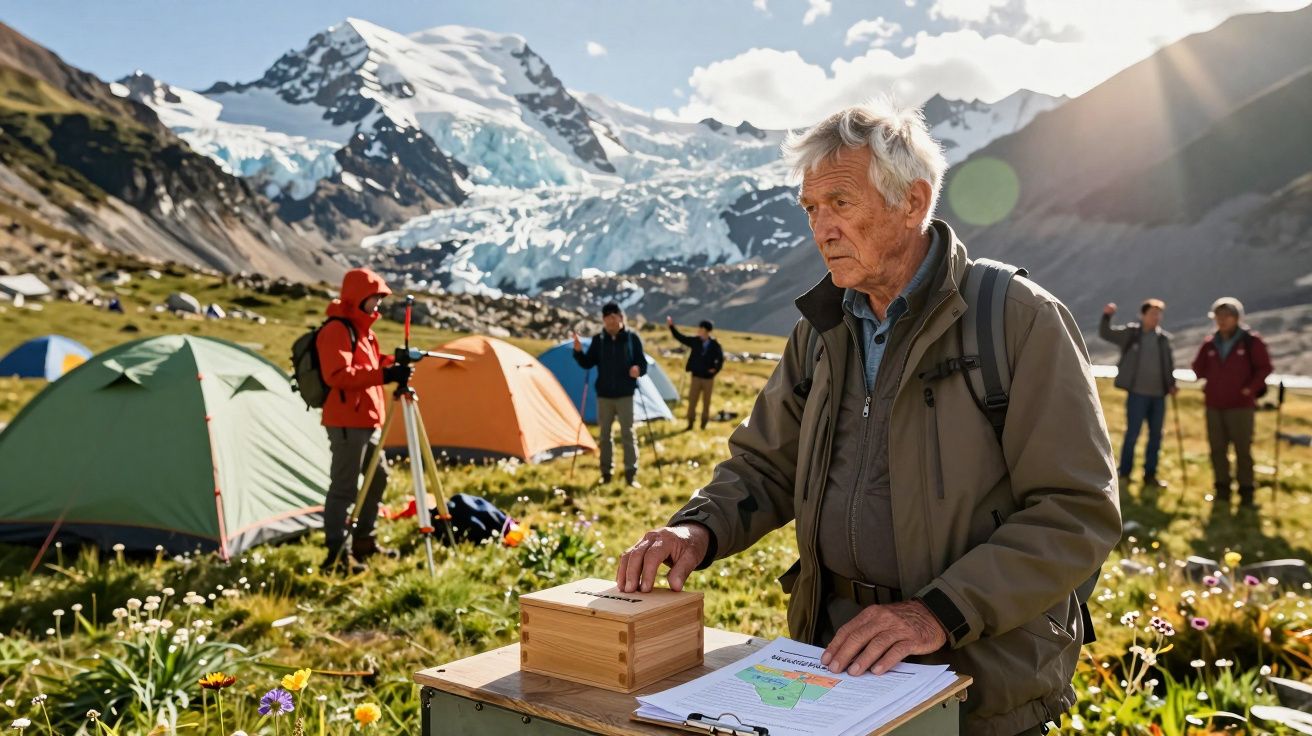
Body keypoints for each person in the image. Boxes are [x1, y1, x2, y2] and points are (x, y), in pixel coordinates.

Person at [615, 99, 1120, 736]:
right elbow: (766, 464)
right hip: (837, 663)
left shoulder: (1017, 320)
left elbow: (1075, 511)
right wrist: (698, 528)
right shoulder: (820, 329)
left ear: (913, 202)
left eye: (841, 203)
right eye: (810, 209)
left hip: (979, 680)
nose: (821, 229)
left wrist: (935, 613)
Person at [316, 268, 410, 572]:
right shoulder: (337, 330)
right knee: (344, 488)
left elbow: (370, 364)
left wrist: (394, 363)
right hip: (346, 421)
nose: (378, 304)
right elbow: (338, 375)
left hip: (367, 420)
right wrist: (385, 375)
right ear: (358, 297)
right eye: (374, 297)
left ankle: (364, 541)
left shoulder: (364, 331)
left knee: (377, 477)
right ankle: (337, 555)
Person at [1191, 297, 1273, 509]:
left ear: (1237, 318)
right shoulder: (1210, 342)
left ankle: (1247, 494)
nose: (1222, 320)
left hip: (1241, 406)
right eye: (1218, 316)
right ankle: (1222, 491)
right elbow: (1198, 369)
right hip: (1214, 404)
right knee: (1217, 449)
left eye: (1227, 316)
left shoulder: (1251, 341)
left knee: (1242, 450)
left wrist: (1249, 389)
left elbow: (1265, 367)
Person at [1099, 299, 1178, 490]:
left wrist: (1172, 384)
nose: (1156, 317)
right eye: (1152, 313)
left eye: (1158, 314)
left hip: (1159, 396)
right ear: (1142, 315)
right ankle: (1125, 472)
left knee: (1156, 436)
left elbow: (1168, 364)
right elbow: (1106, 333)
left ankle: (1150, 475)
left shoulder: (1163, 339)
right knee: (1132, 434)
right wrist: (1107, 316)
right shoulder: (1131, 334)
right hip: (1137, 394)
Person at [573, 302, 647, 487]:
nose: (611, 321)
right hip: (604, 395)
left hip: (625, 394)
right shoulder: (599, 340)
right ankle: (606, 473)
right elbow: (588, 363)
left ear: (621, 318)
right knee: (605, 435)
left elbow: (643, 364)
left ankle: (631, 474)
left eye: (614, 317)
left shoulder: (632, 339)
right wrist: (578, 352)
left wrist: (638, 369)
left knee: (627, 434)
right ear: (604, 320)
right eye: (607, 317)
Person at [667, 316, 725, 431]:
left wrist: (715, 370)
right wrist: (671, 327)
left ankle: (704, 423)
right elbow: (680, 337)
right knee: (692, 401)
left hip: (708, 379)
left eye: (701, 329)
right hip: (696, 377)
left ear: (706, 331)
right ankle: (690, 423)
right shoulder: (695, 341)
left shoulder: (715, 344)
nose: (698, 330)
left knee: (706, 402)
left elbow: (721, 359)